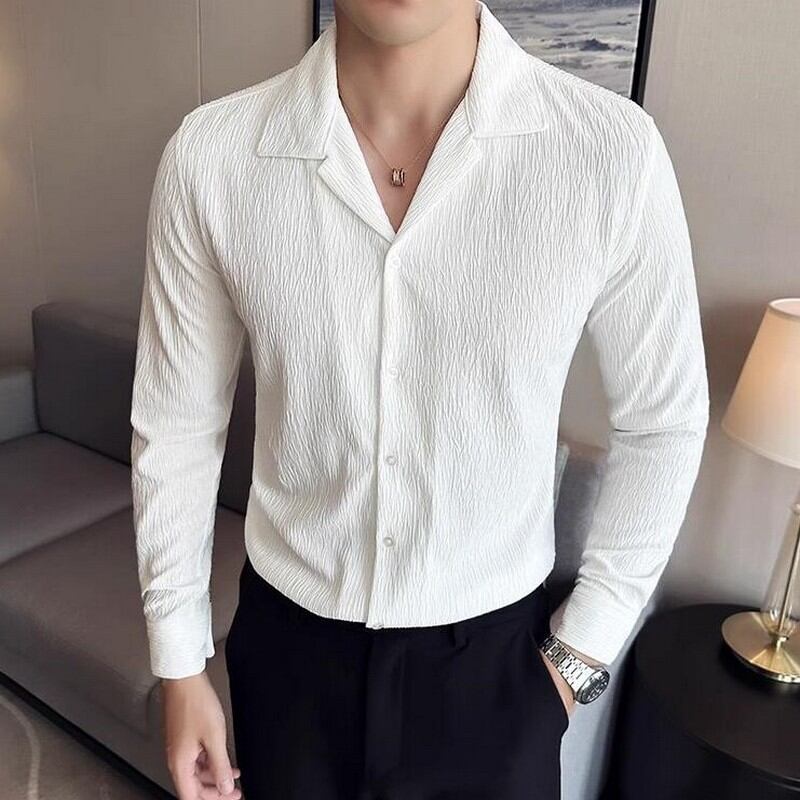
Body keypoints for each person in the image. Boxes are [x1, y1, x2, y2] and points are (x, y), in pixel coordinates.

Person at [129, 1, 710, 798]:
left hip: (497, 678)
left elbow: (665, 422)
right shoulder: (213, 157)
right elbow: (176, 424)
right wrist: (178, 661)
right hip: (287, 658)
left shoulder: (610, 152)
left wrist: (579, 657)